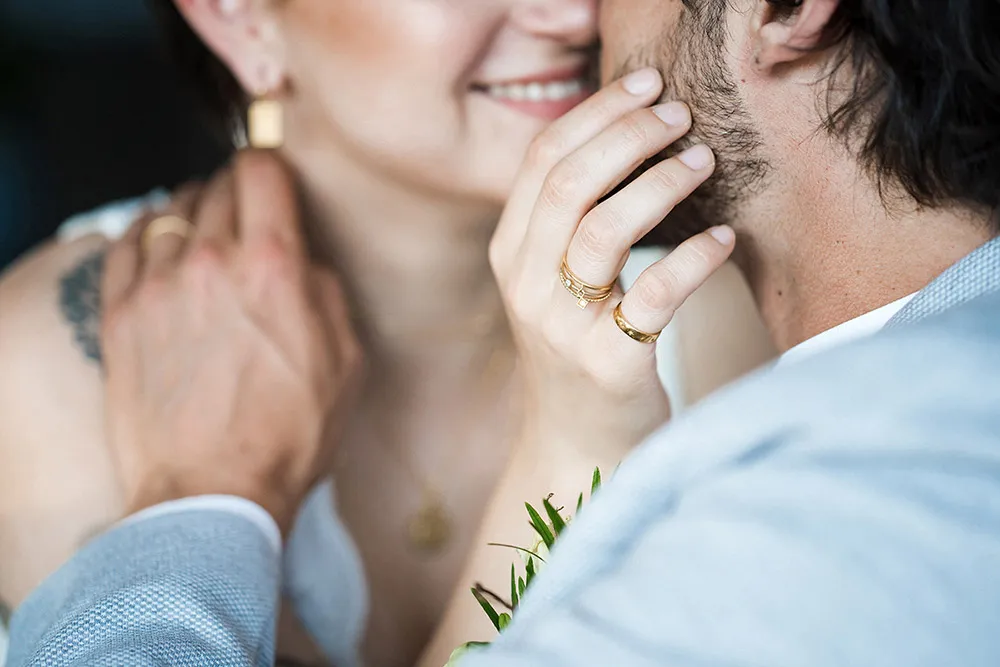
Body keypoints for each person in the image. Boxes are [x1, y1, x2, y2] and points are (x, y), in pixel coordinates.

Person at [8, 0, 1000, 664]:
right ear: (238, 15)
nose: (569, 12)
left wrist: (573, 430)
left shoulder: (735, 301)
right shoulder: (49, 368)